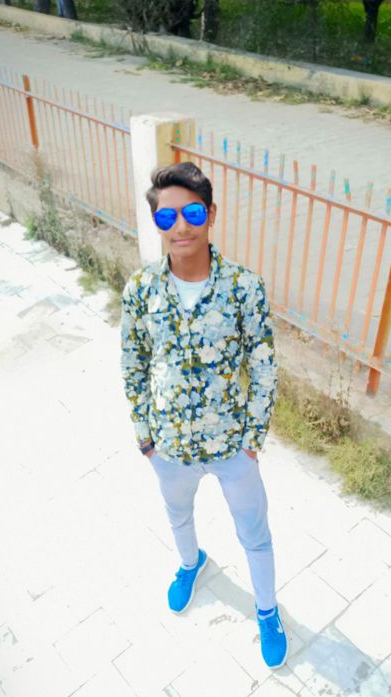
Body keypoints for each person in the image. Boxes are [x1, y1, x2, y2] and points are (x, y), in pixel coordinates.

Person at [119, 161, 287, 669]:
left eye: (192, 213)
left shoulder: (244, 288)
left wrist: (252, 442)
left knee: (254, 532)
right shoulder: (141, 290)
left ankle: (267, 611)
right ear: (157, 224)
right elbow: (133, 363)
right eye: (166, 217)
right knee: (178, 516)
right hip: (168, 448)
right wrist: (145, 437)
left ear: (210, 214)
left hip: (233, 448)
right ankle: (191, 564)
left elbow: (264, 368)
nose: (181, 226)